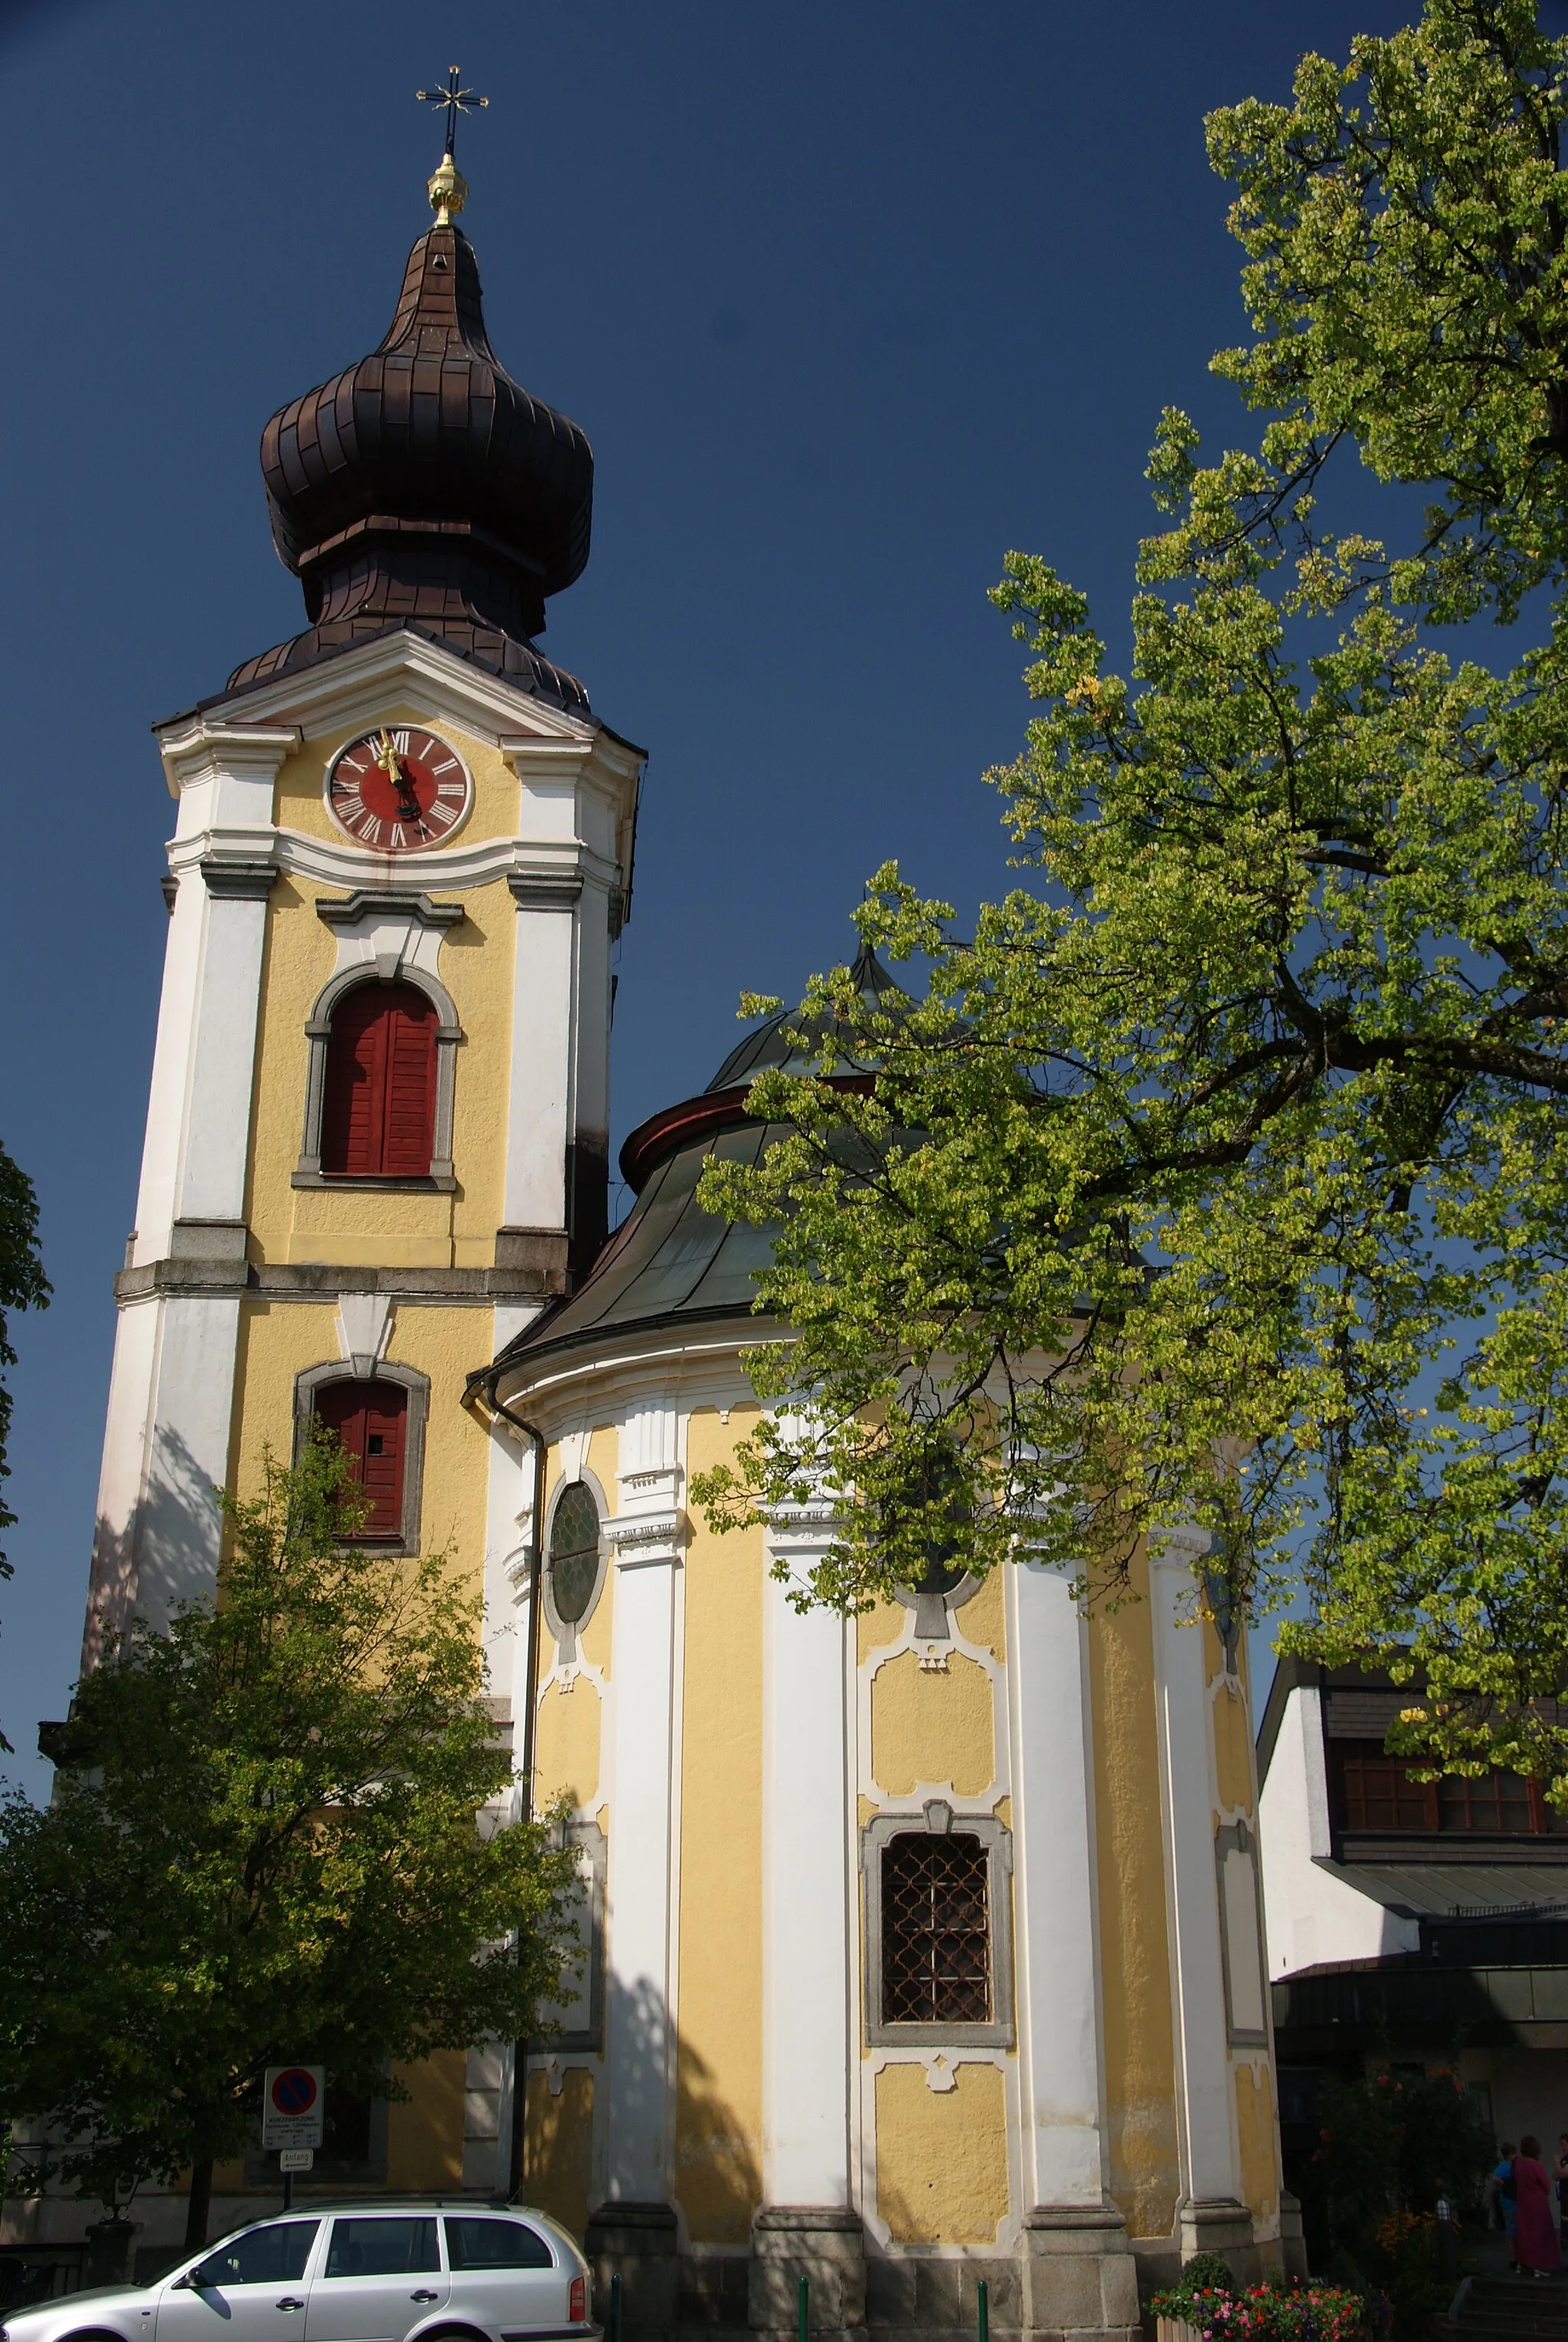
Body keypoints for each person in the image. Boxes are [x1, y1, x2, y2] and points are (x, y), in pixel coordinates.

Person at [1514, 2136, 1561, 2275]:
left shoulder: (1519, 2164)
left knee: (1525, 2232)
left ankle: (1525, 2262)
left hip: (1523, 2203)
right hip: (1537, 2204)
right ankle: (1540, 2263)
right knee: (1540, 2232)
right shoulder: (1535, 2166)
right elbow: (1547, 2186)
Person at [1494, 2141, 1520, 2265]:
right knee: (1511, 2230)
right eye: (1513, 2153)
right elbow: (1496, 2179)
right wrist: (1505, 2186)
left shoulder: (1516, 2166)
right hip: (1509, 2202)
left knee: (1516, 2230)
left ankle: (1517, 2256)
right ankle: (1513, 2257)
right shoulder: (1504, 2166)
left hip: (1516, 2201)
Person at [1556, 2135, 1568, 2246]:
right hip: (1564, 2197)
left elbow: (1563, 2174)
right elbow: (1556, 2175)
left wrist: (1557, 2163)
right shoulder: (1564, 2159)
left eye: (1564, 2145)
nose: (1562, 2148)